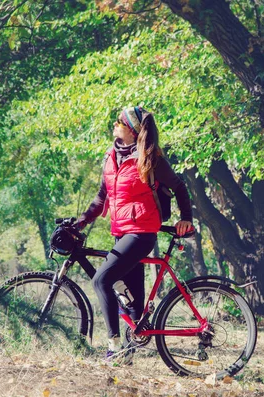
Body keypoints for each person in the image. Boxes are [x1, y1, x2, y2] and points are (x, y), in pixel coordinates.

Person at [75, 106, 193, 362]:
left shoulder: (150, 159)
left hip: (141, 233)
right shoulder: (111, 157)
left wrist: (186, 218)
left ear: (131, 129)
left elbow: (179, 187)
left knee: (100, 281)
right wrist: (82, 220)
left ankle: (115, 349)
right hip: (121, 231)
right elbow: (101, 196)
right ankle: (130, 347)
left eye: (119, 122)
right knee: (133, 306)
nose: (114, 126)